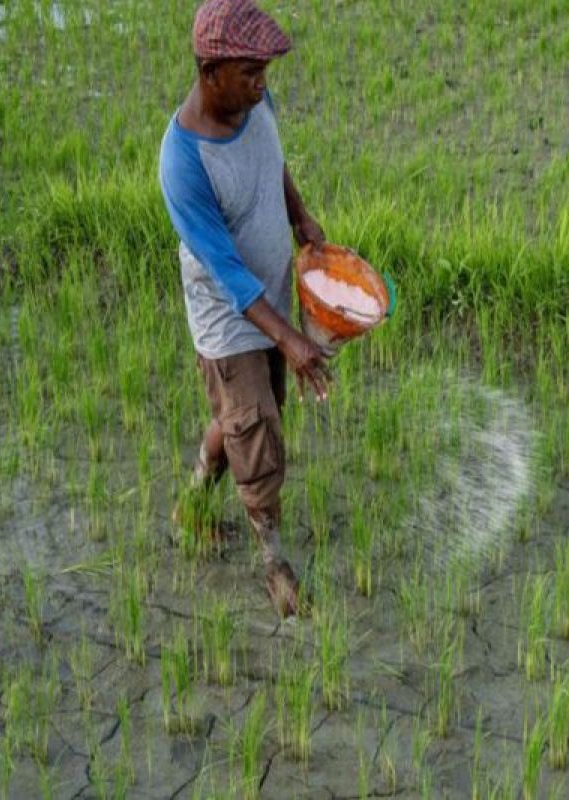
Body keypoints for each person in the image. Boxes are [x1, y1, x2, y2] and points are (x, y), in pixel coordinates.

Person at [158, 0, 330, 616]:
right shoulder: (183, 162)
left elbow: (273, 160)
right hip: (229, 317)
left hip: (272, 295)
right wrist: (289, 339)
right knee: (256, 436)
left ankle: (194, 496)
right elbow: (226, 274)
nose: (263, 82)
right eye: (250, 71)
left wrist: (300, 214)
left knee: (249, 415)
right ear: (211, 73)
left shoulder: (253, 100)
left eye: (265, 71)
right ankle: (274, 563)